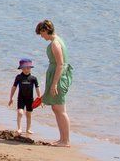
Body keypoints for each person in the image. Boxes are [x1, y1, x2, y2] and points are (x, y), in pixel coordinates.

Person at [37, 19, 73, 147]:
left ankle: (66, 140)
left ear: (45, 30)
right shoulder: (56, 40)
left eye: (41, 33)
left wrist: (54, 84)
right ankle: (62, 138)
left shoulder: (55, 44)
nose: (41, 36)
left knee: (60, 108)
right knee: (56, 107)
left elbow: (60, 65)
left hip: (59, 77)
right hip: (57, 75)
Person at [8, 58, 41, 135]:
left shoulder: (33, 78)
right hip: (21, 98)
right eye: (24, 68)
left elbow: (37, 88)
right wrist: (11, 97)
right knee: (20, 112)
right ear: (21, 68)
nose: (26, 70)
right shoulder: (19, 77)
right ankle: (19, 128)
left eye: (28, 68)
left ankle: (28, 129)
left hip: (30, 99)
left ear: (31, 68)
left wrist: (40, 98)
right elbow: (14, 87)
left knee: (29, 114)